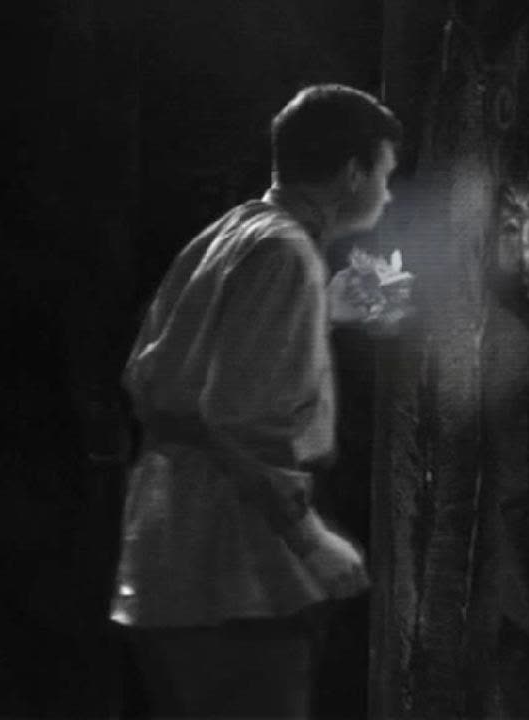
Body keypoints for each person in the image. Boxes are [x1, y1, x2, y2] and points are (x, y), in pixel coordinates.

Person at [112, 84, 401, 718]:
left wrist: (324, 310)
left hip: (169, 554)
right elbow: (243, 421)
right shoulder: (287, 253)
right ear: (352, 174)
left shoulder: (238, 229)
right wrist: (310, 539)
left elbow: (174, 369)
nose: (388, 194)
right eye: (384, 174)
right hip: (231, 570)